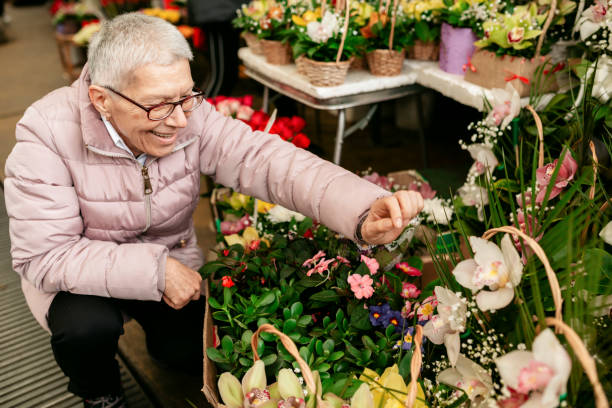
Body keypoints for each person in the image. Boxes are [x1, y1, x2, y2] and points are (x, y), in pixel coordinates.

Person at [4, 13, 424, 408]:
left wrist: (362, 208)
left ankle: (163, 344)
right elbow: (44, 256)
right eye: (158, 106)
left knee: (190, 351)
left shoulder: (183, 110)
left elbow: (266, 160)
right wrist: (156, 271)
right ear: (101, 99)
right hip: (80, 279)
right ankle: (99, 392)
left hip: (171, 261)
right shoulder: (47, 133)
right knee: (84, 332)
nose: (181, 121)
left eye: (186, 97)